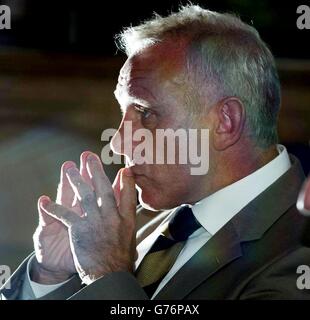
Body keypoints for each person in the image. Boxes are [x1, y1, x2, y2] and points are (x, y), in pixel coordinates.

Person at [1, 4, 310, 300]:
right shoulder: (139, 222)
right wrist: (50, 276)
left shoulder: (298, 254)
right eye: (123, 112)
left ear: (225, 122)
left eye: (146, 113)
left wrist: (106, 274)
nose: (119, 143)